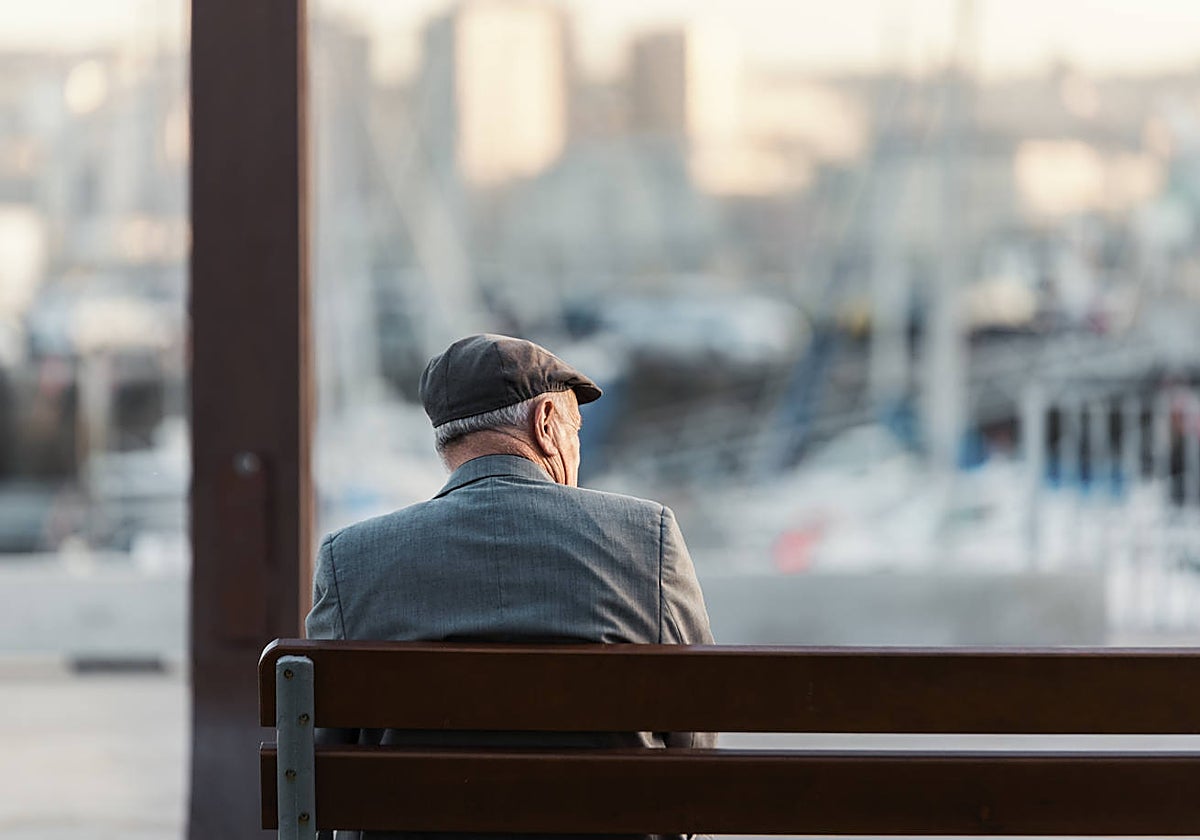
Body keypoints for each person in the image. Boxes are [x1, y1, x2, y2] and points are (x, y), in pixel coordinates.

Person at [305, 333, 715, 839]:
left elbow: (320, 762)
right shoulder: (645, 536)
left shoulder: (352, 559)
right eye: (575, 430)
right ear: (546, 424)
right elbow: (695, 739)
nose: (576, 450)